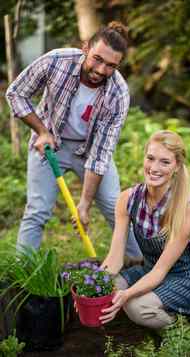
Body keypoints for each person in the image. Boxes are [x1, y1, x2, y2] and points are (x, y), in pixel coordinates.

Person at [6, 21, 141, 258]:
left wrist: (85, 203)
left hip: (90, 150)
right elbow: (16, 93)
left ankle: (142, 266)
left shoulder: (118, 93)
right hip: (50, 144)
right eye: (97, 59)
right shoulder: (57, 61)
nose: (101, 70)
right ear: (86, 47)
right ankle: (21, 276)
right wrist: (42, 131)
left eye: (111, 65)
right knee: (37, 210)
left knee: (115, 208)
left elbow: (100, 155)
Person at [100, 130, 190, 329]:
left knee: (136, 307)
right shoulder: (128, 199)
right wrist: (94, 285)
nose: (154, 168)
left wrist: (127, 294)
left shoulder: (187, 210)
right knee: (108, 288)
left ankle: (183, 335)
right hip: (149, 270)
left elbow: (162, 270)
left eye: (165, 162)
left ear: (177, 166)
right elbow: (115, 258)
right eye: (150, 158)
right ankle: (158, 306)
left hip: (185, 278)